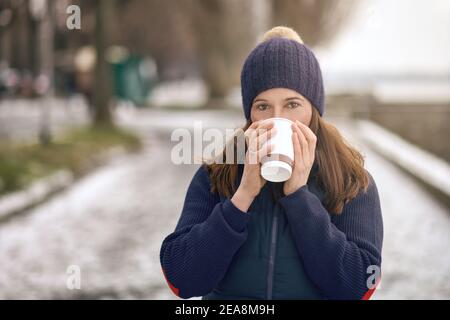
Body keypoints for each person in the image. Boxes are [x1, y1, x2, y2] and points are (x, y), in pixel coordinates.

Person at [160, 26, 383, 300]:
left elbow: (360, 286)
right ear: (250, 114)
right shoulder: (216, 176)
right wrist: (241, 198)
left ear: (314, 110)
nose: (278, 119)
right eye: (263, 106)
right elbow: (181, 280)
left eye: (292, 105)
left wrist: (300, 198)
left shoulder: (351, 182)